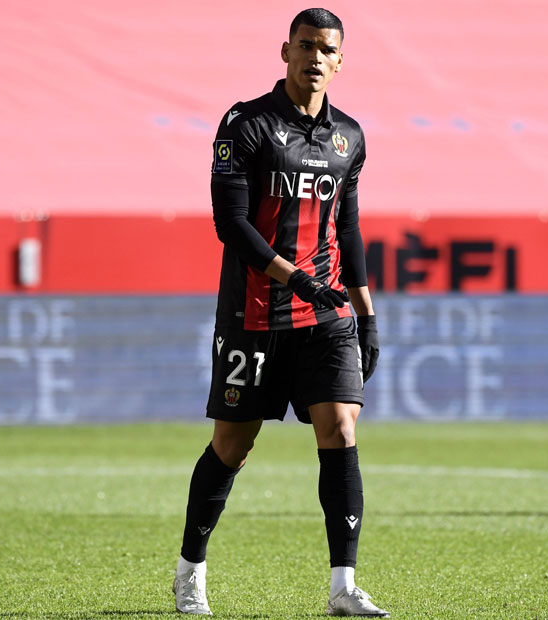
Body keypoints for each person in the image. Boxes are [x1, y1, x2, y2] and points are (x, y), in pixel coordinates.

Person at [173, 8, 388, 617]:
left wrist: (365, 313)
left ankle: (343, 588)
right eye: (304, 46)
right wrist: (296, 279)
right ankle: (191, 570)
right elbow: (231, 224)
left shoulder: (351, 137)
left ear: (339, 60)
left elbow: (347, 228)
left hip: (326, 319)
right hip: (254, 315)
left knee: (341, 429)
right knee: (232, 445)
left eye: (326, 49)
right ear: (285, 51)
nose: (314, 57)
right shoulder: (246, 125)